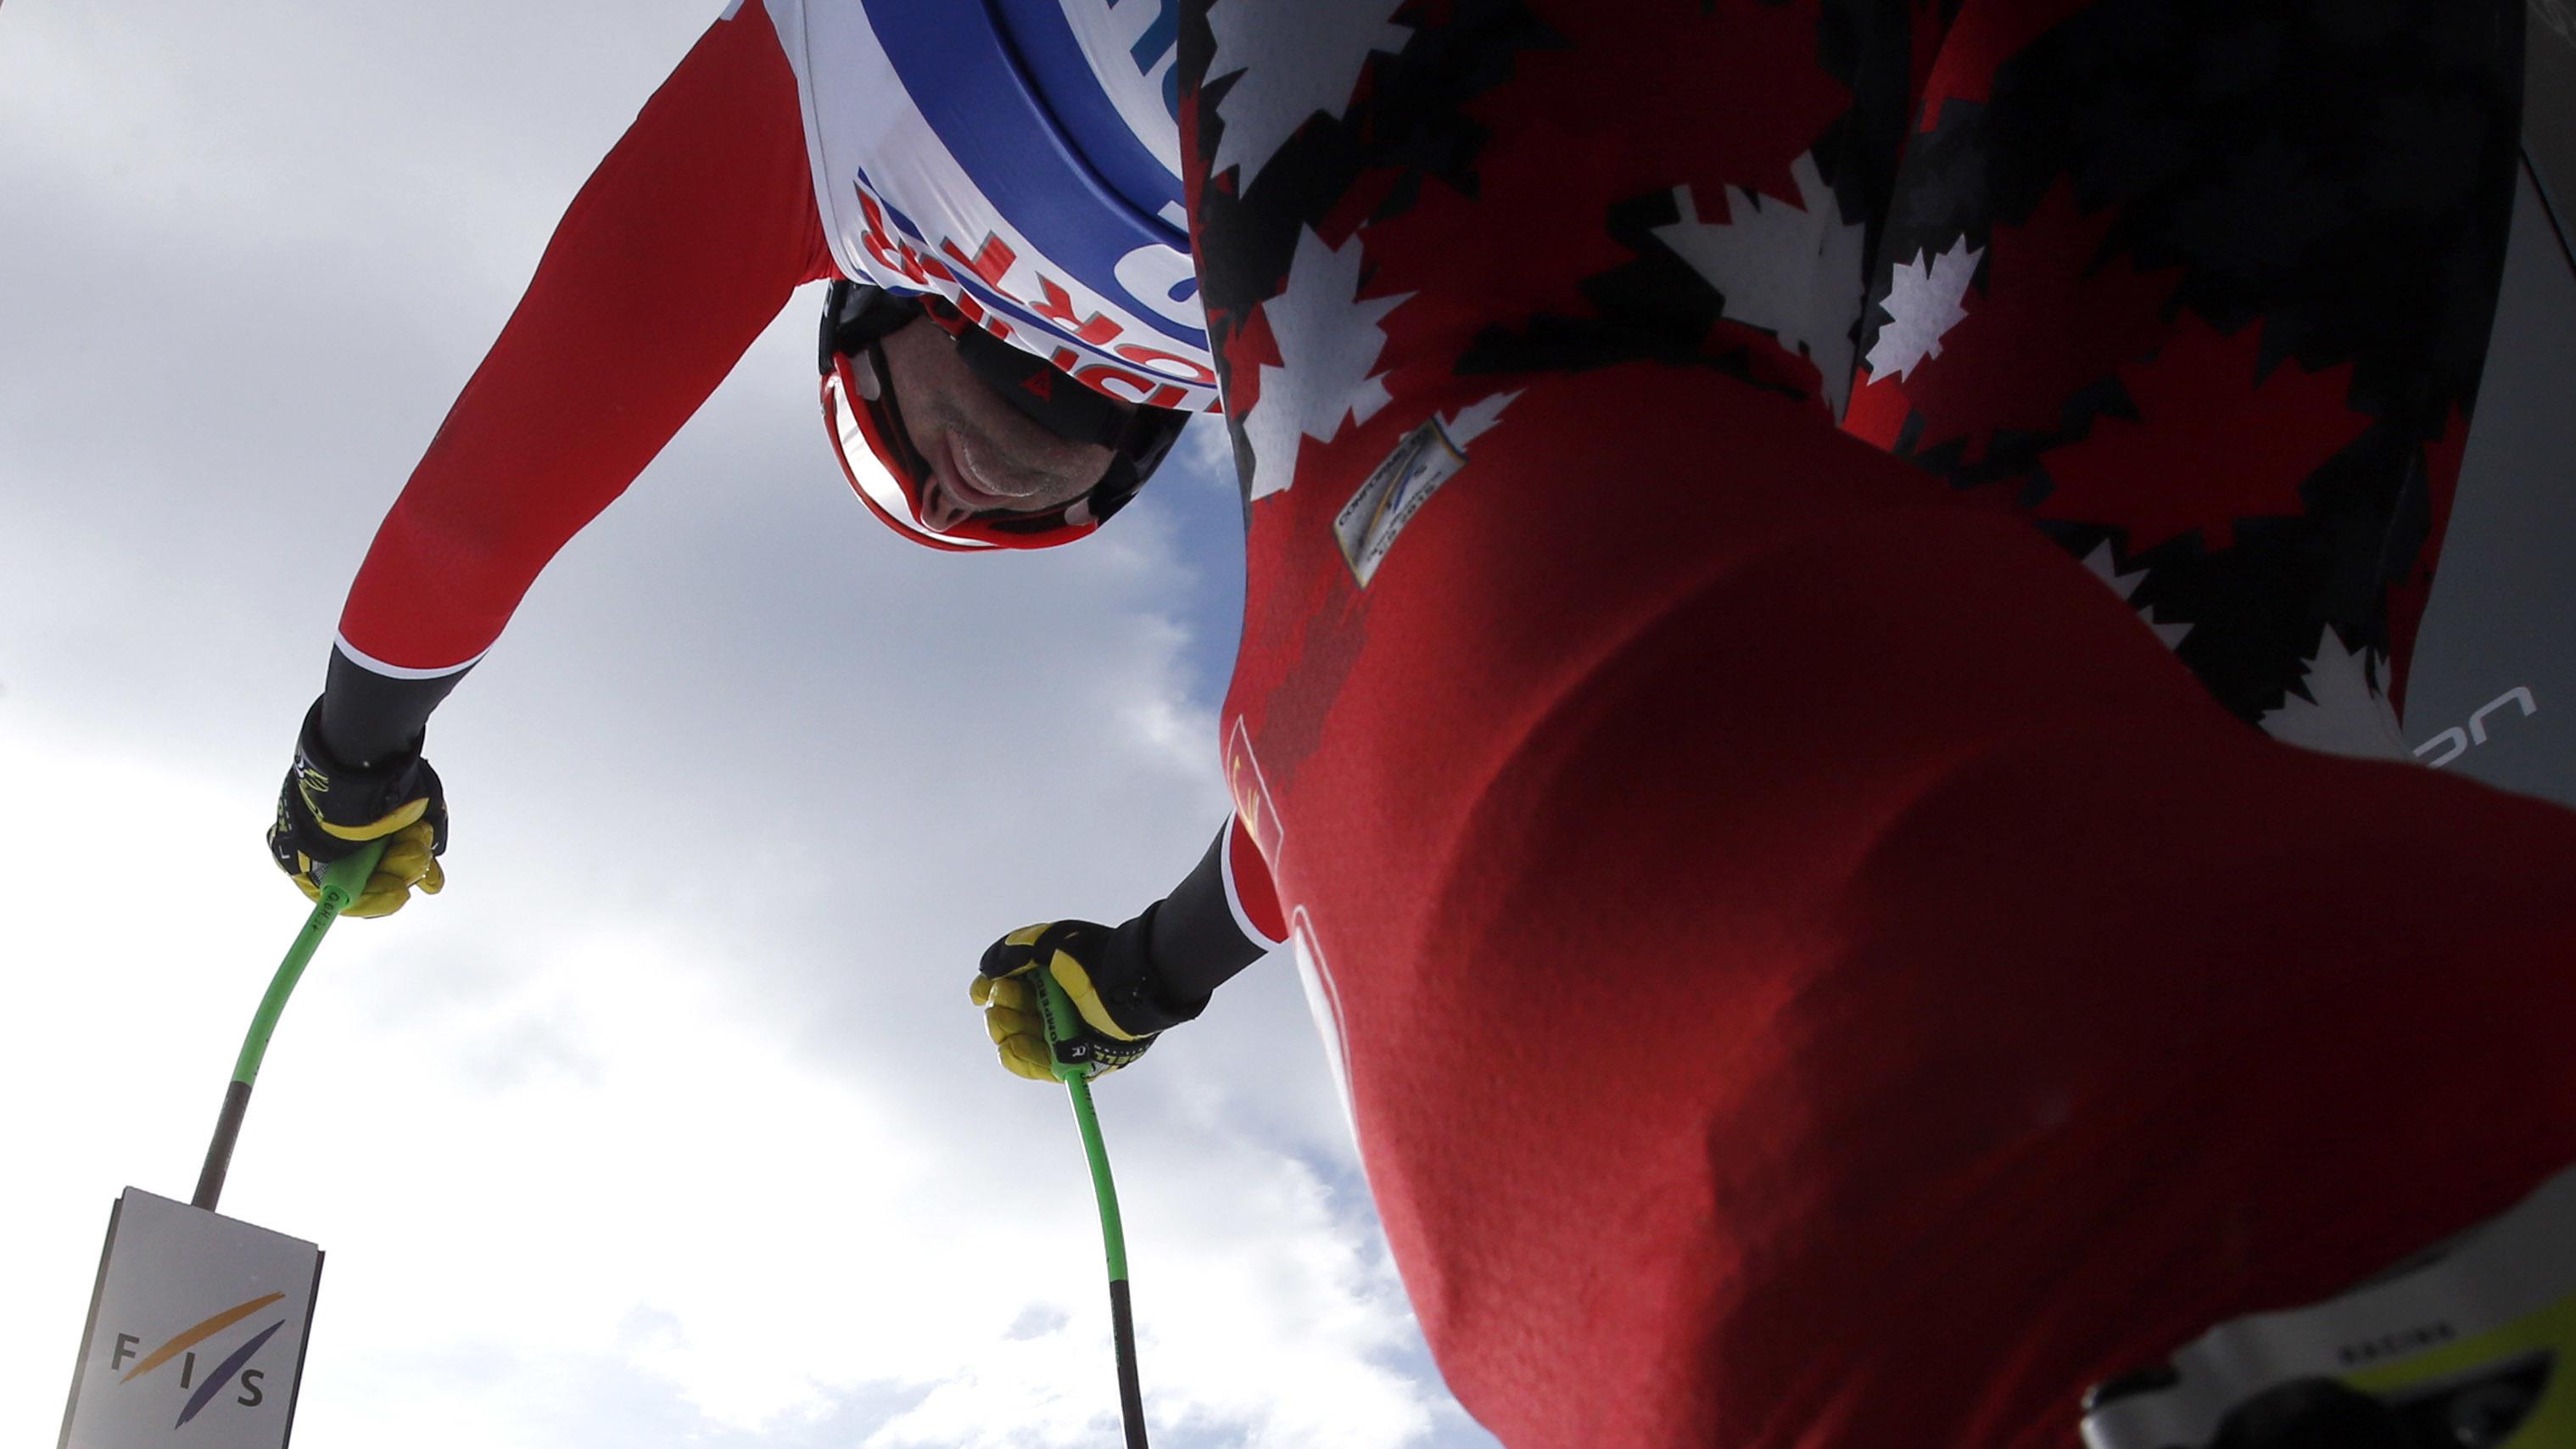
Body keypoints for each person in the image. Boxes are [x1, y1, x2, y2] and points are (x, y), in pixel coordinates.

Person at [263, 1, 1288, 1049]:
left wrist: (350, 755)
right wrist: (1155, 971)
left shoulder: (837, 148)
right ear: (1116, 469)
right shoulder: (1323, 349)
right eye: (999, 516)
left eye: (897, 445)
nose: (946, 498)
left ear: (871, 311)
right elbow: (1339, 745)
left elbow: (480, 517)